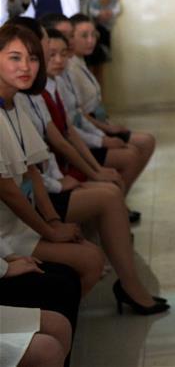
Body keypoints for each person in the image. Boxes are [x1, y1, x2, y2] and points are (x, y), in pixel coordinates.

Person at [0, 24, 105, 296]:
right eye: (15, 57)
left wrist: (52, 221)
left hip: (25, 219)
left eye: (33, 58)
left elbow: (32, 169)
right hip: (7, 233)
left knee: (90, 255)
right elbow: (9, 191)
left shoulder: (13, 103)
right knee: (90, 260)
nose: (26, 66)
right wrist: (49, 230)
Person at [65, 14, 155, 190]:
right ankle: (117, 201)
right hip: (87, 132)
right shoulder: (69, 68)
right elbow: (78, 115)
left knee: (146, 142)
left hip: (95, 125)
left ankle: (119, 198)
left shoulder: (80, 62)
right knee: (138, 148)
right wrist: (104, 133)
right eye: (84, 36)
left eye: (94, 35)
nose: (91, 41)